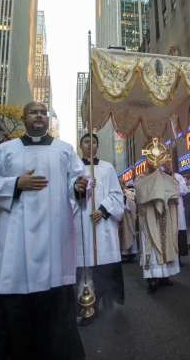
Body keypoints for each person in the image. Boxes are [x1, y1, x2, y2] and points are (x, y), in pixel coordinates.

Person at [0, 101, 88, 359]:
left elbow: (76, 179)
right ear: (23, 116)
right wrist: (16, 183)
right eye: (33, 112)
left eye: (43, 112)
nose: (39, 116)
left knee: (56, 301)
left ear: (48, 118)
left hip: (55, 237)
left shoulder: (65, 150)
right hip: (17, 240)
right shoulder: (7, 150)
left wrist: (79, 186)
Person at [73, 133, 125, 326]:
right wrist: (82, 191)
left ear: (97, 145)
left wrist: (103, 210)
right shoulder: (73, 168)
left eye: (94, 142)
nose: (90, 145)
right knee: (86, 267)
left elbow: (116, 194)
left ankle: (107, 298)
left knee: (103, 264)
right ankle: (87, 306)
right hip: (81, 223)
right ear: (80, 145)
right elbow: (67, 197)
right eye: (86, 142)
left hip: (102, 223)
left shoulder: (107, 167)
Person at [135, 159, 181, 293]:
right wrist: (157, 187)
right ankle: (152, 277)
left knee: (166, 243)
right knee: (153, 246)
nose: (154, 164)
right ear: (147, 162)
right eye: (151, 161)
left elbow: (175, 189)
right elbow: (140, 193)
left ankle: (165, 276)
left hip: (165, 217)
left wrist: (160, 188)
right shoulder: (142, 177)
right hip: (150, 218)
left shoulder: (166, 176)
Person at [162, 157, 189, 266]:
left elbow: (184, 191)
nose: (169, 164)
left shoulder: (178, 176)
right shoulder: (160, 175)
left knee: (178, 231)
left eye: (170, 162)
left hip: (177, 206)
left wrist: (175, 182)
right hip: (167, 206)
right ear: (163, 164)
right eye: (167, 162)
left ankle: (179, 256)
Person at [119, 179, 138, 262]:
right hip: (118, 218)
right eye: (118, 184)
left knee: (128, 233)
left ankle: (129, 254)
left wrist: (126, 201)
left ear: (124, 184)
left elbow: (133, 205)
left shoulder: (129, 193)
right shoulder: (115, 193)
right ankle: (121, 254)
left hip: (127, 217)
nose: (120, 185)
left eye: (121, 184)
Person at [182, 174, 190, 248]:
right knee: (187, 226)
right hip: (185, 209)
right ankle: (188, 242)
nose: (184, 181)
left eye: (185, 179)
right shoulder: (183, 189)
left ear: (189, 180)